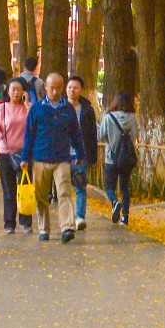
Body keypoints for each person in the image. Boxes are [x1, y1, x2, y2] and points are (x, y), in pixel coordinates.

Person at [22, 72, 84, 243]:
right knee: (41, 196)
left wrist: (80, 153)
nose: (55, 92)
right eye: (52, 88)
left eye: (58, 88)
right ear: (46, 88)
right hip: (40, 158)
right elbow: (29, 134)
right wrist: (25, 158)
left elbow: (76, 133)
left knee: (64, 193)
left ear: (62, 88)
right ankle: (44, 229)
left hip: (62, 158)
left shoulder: (68, 109)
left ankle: (67, 227)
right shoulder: (37, 108)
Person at [0, 77, 31, 233]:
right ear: (7, 91)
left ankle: (26, 222)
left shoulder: (28, 108)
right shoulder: (2, 109)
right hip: (5, 153)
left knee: (25, 188)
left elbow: (33, 127)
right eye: (13, 89)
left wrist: (27, 104)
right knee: (9, 190)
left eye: (19, 89)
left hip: (24, 154)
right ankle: (9, 223)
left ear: (24, 92)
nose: (16, 92)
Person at [65, 73, 100, 233]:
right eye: (70, 87)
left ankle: (80, 217)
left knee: (80, 186)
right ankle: (66, 219)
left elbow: (92, 134)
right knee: (63, 189)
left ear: (81, 90)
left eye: (76, 88)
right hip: (62, 154)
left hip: (80, 154)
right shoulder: (59, 107)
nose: (72, 90)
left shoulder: (87, 110)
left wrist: (93, 156)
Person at [100, 91, 140, 225]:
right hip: (126, 157)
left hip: (111, 157)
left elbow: (100, 135)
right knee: (125, 188)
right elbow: (134, 136)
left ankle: (115, 202)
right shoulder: (133, 118)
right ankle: (125, 218)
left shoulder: (108, 117)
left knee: (109, 187)